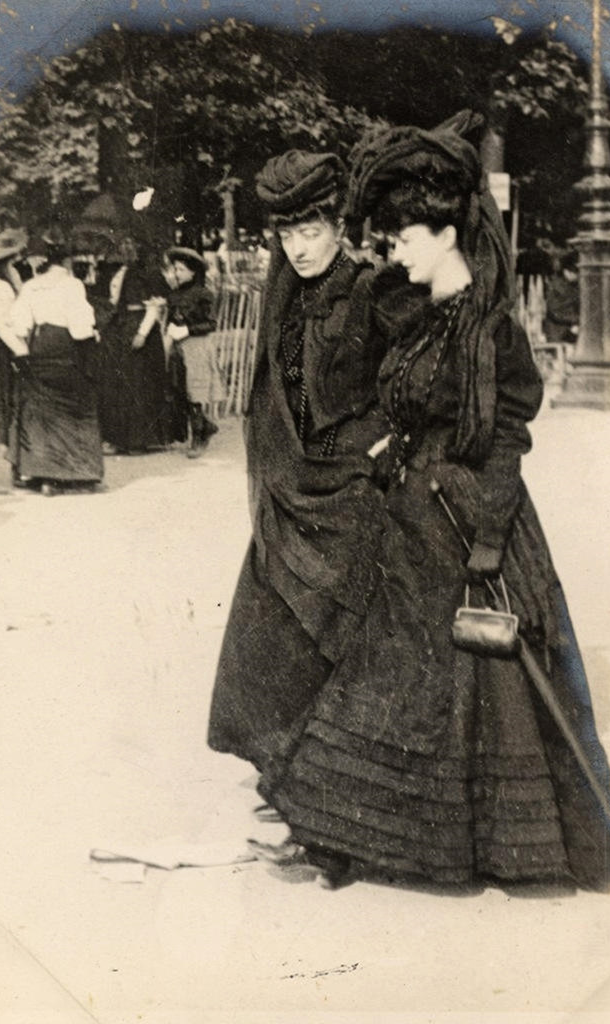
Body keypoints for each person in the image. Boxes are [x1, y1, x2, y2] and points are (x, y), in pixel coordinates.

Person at [249, 113, 610, 891]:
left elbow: (506, 433)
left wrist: (486, 539)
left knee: (460, 696)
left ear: (447, 236)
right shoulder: (422, 319)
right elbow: (395, 403)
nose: (393, 253)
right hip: (409, 522)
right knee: (378, 680)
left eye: (404, 240)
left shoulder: (488, 332)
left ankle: (425, 845)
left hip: (467, 530)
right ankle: (338, 836)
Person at [207, 149, 389, 787]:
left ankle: (334, 780)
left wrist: (368, 455)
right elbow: (272, 395)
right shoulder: (283, 295)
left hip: (348, 492)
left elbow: (398, 391)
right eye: (288, 234)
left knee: (337, 635)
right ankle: (287, 769)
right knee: (272, 631)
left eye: (311, 232)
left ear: (340, 226)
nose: (300, 248)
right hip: (290, 489)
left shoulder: (371, 289)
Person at [0, 229, 103, 495]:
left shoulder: (31, 287)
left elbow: (20, 325)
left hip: (40, 346)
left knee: (41, 408)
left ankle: (45, 476)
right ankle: (79, 475)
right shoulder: (72, 285)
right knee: (77, 406)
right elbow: (81, 328)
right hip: (66, 346)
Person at [97, 236, 170, 454]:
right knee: (121, 384)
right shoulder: (120, 271)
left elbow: (155, 306)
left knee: (139, 384)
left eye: (131, 244)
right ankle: (121, 438)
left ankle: (139, 440)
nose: (126, 248)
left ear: (140, 246)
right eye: (123, 244)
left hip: (140, 328)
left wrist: (142, 332)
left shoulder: (149, 272)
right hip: (121, 328)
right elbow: (114, 299)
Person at [165, 246, 223, 458]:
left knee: (195, 392)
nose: (176, 273)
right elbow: (172, 318)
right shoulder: (173, 294)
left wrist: (187, 329)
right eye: (175, 269)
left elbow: (211, 323)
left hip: (198, 345)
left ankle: (199, 437)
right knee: (181, 389)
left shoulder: (204, 294)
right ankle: (206, 426)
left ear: (192, 272)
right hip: (180, 346)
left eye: (180, 269)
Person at [0, 229, 26, 447]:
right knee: (4, 386)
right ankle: (1, 432)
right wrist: (20, 347)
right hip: (2, 340)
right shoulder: (3, 286)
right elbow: (3, 322)